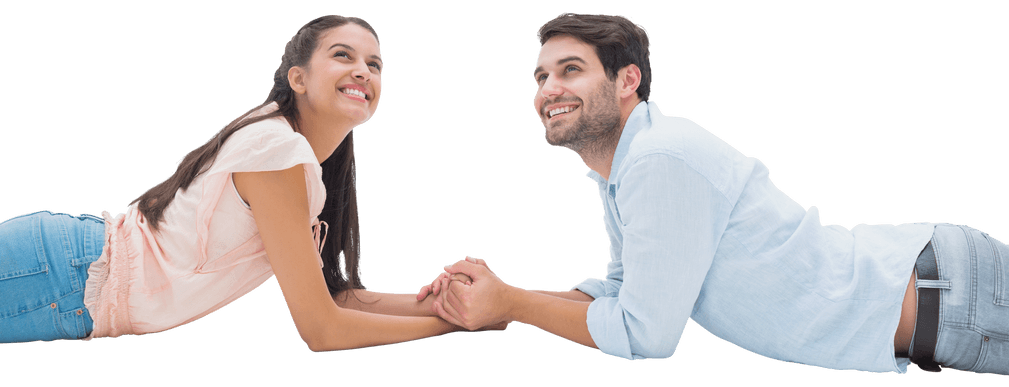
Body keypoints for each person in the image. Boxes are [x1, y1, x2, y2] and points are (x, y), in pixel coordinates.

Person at [418, 12, 1008, 375]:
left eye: (570, 70)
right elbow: (622, 291)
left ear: (628, 80)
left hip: (956, 297)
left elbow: (645, 335)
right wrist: (506, 298)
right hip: (944, 306)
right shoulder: (623, 169)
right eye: (540, 77)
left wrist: (513, 305)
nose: (548, 89)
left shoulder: (659, 158)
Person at [0, 14, 483, 349]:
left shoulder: (298, 159)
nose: (364, 70)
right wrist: (457, 327)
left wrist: (446, 304)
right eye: (344, 56)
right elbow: (323, 329)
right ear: (299, 77)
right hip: (63, 281)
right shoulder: (278, 151)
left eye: (375, 63)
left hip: (62, 264)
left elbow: (340, 297)